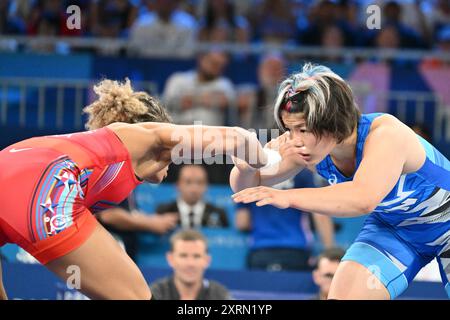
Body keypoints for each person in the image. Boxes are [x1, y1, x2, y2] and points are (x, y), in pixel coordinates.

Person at [0, 78, 268, 300]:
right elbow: (239, 137)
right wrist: (266, 163)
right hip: (47, 186)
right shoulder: (144, 137)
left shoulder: (94, 149)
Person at [231, 63, 450, 300]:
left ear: (332, 122)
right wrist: (246, 166)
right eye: (289, 129)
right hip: (394, 229)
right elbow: (245, 188)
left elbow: (362, 199)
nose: (294, 139)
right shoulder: (305, 145)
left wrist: (286, 197)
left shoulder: (387, 134)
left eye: (302, 129)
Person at [236, 170, 335, 271]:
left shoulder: (251, 175)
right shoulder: (301, 172)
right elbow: (320, 214)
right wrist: (329, 251)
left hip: (260, 251)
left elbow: (242, 222)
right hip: (295, 250)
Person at [150, 229, 232, 300]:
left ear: (207, 260)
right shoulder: (156, 293)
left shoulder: (219, 294)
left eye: (196, 256)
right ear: (170, 259)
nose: (190, 263)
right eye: (183, 256)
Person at [97, 192, 179, 261]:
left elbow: (131, 213)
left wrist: (153, 219)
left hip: (126, 256)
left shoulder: (130, 182)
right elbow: (107, 215)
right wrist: (151, 223)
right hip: (110, 256)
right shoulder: (113, 176)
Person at [156, 165, 229, 229]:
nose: (194, 189)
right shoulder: (164, 211)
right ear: (177, 185)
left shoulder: (218, 214)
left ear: (207, 186)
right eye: (188, 182)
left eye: (199, 182)